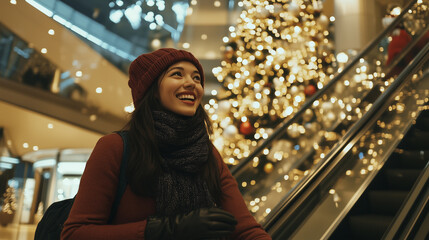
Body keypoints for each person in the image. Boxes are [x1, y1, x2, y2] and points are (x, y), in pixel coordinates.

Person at [61, 48, 272, 240]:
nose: (192, 83)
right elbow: (75, 233)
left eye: (196, 77)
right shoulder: (115, 147)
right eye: (177, 74)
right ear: (151, 89)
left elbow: (246, 230)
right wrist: (165, 229)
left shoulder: (206, 153)